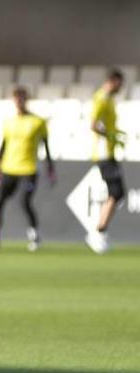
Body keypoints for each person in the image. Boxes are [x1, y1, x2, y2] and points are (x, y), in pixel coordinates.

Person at [0, 86, 56, 251]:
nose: (19, 102)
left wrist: (50, 168)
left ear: (27, 100)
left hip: (28, 169)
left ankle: (34, 235)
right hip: (9, 168)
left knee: (25, 201)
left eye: (22, 98)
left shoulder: (37, 122)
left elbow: (46, 146)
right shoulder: (9, 122)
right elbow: (4, 145)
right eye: (16, 99)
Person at [85, 69, 125, 254]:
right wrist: (108, 134)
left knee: (116, 192)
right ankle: (98, 232)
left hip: (109, 153)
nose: (121, 87)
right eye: (120, 83)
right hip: (103, 154)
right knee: (116, 192)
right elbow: (93, 124)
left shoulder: (108, 99)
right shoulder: (101, 98)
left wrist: (114, 136)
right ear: (113, 81)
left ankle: (99, 230)